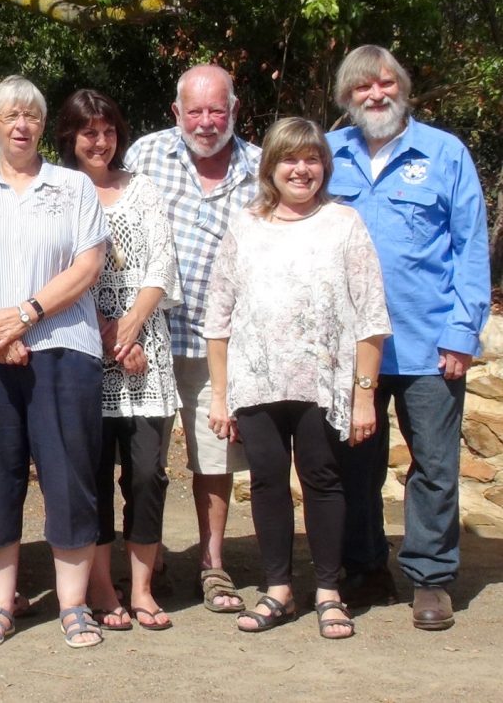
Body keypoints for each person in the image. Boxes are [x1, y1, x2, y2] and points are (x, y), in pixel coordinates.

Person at [0, 75, 110, 649]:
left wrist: (25, 315)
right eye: (9, 116)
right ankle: (0, 604)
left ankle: (73, 605)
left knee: (70, 475)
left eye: (31, 116)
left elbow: (88, 266)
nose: (20, 125)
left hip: (63, 348)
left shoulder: (74, 187)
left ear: (42, 126)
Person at [205, 117, 390, 640]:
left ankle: (329, 592)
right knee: (266, 482)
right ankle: (279, 590)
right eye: (290, 159)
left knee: (323, 481)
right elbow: (219, 317)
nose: (301, 169)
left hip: (321, 383)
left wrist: (364, 396)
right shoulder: (245, 225)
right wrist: (220, 396)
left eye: (311, 159)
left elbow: (372, 317)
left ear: (324, 168)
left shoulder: (345, 223)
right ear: (271, 168)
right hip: (256, 383)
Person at [326, 45, 490, 628]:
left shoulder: (445, 154)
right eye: (363, 88)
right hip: (350, 351)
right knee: (355, 466)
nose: (377, 95)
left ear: (404, 89)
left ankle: (431, 577)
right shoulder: (326, 153)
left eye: (387, 84)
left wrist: (463, 331)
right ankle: (366, 567)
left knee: (436, 466)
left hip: (429, 343)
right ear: (347, 98)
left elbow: (471, 248)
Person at [123, 64, 260, 614]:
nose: (206, 122)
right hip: (147, 337)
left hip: (222, 340)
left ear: (234, 110)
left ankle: (212, 563)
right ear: (176, 111)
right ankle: (146, 561)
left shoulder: (258, 166)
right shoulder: (145, 155)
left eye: (217, 110)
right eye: (195, 111)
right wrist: (124, 324)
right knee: (143, 459)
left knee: (214, 455)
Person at [57, 89, 181, 632]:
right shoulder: (57, 191)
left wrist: (129, 328)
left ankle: (144, 588)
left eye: (108, 131)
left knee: (148, 475)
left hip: (144, 355)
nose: (100, 141)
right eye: (89, 132)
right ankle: (105, 589)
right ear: (69, 137)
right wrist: (105, 336)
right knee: (91, 476)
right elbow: (52, 267)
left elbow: (162, 266)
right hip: (82, 349)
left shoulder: (143, 190)